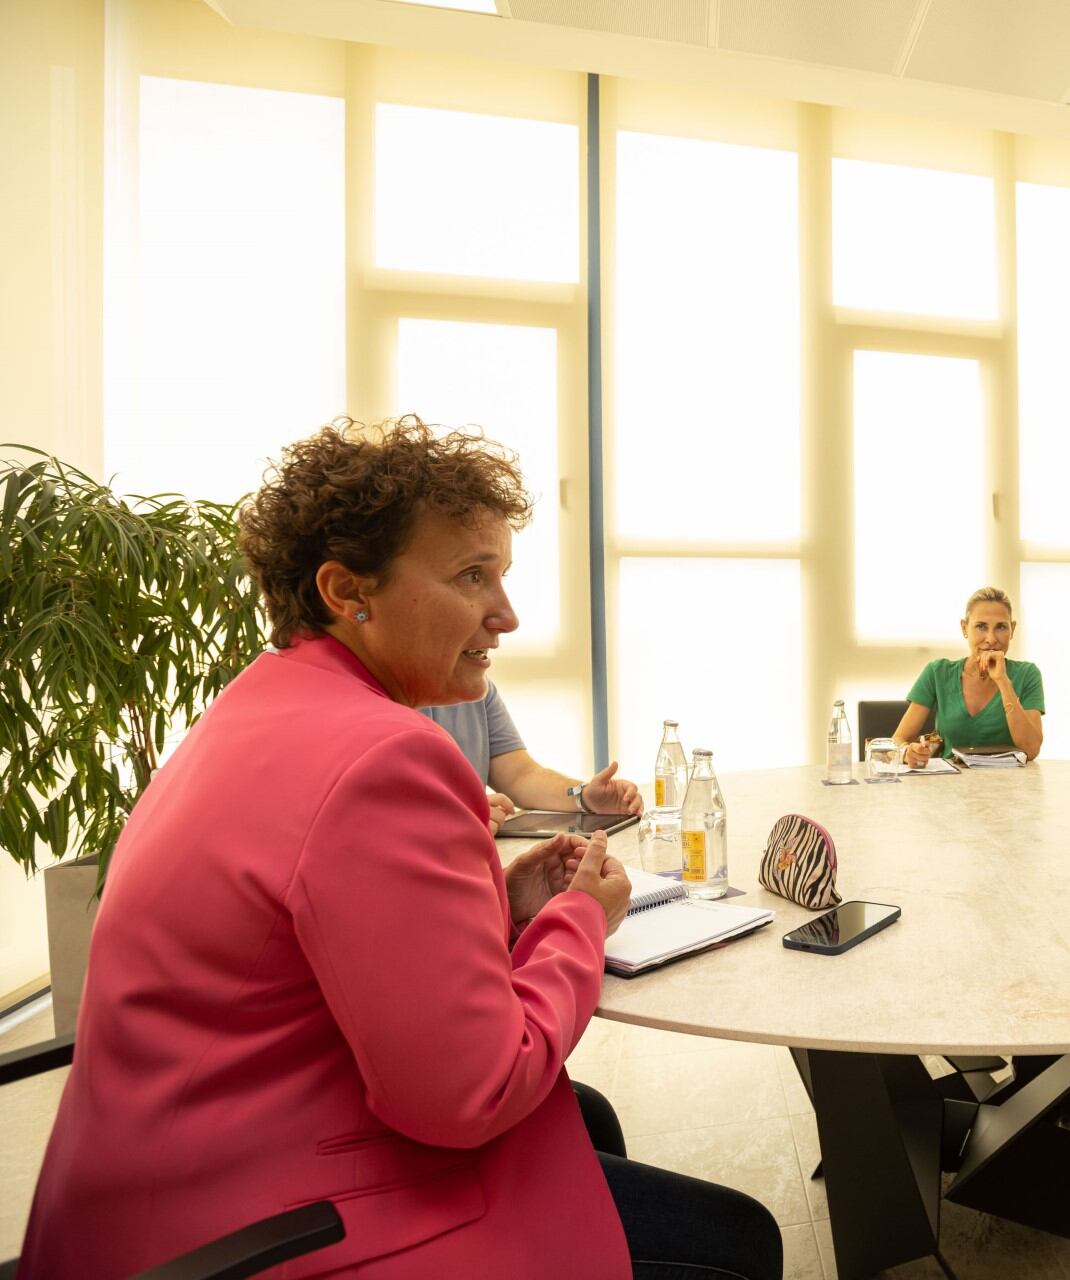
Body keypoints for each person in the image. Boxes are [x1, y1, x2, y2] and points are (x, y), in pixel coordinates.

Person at [20, 419, 781, 1280]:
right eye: (470, 577)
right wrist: (578, 921)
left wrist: (500, 904)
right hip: (267, 1232)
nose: (507, 613)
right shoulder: (388, 757)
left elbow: (307, 946)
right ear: (350, 591)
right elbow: (474, 1093)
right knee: (741, 1242)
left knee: (589, 1124)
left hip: (146, 1204)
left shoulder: (257, 707)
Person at [420, 681, 642, 832]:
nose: (509, 624)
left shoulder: (478, 686)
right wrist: (453, 818)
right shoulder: (387, 698)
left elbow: (520, 775)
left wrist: (583, 795)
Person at [897, 586, 1045, 765]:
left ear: (1012, 629)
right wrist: (907, 752)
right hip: (949, 785)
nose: (991, 639)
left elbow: (1031, 750)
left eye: (1001, 627)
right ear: (964, 628)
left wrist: (1002, 681)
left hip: (1008, 786)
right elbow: (897, 740)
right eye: (981, 627)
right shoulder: (937, 672)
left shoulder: (1027, 674)